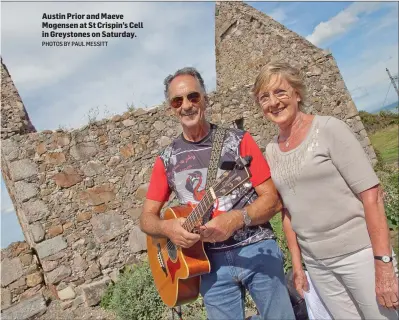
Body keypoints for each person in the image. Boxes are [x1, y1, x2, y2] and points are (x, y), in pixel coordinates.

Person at [139, 67, 295, 320]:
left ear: (205, 99)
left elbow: (273, 201)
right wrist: (168, 230)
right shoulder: (166, 159)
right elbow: (146, 218)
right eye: (178, 101)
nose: (187, 105)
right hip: (206, 264)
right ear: (172, 109)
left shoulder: (238, 141)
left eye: (193, 97)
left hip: (256, 249)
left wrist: (236, 219)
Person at [252, 60, 399, 319]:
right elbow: (288, 213)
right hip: (318, 265)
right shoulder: (272, 151)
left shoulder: (329, 129)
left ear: (297, 94)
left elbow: (372, 196)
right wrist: (298, 266)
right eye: (264, 97)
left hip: (359, 255)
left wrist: (383, 264)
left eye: (280, 92)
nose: (273, 102)